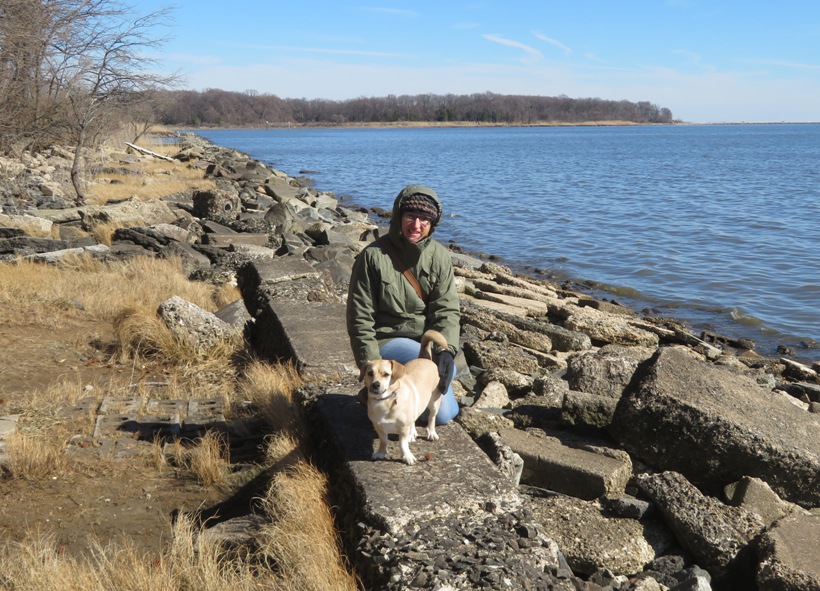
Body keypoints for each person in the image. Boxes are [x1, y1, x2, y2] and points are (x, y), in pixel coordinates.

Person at [347, 184, 460, 424]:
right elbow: (360, 319)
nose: (416, 225)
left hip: (424, 342)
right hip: (387, 342)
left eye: (425, 219)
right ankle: (376, 394)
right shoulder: (373, 257)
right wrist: (370, 368)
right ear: (399, 215)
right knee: (443, 416)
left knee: (451, 381)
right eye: (411, 216)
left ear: (433, 223)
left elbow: (446, 309)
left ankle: (385, 396)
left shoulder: (439, 257)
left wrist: (446, 350)